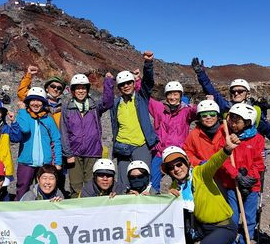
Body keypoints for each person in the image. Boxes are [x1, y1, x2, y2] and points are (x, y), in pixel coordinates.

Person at [162, 137, 241, 244]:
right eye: (171, 168)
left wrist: (226, 149)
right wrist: (169, 195)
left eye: (179, 164)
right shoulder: (175, 186)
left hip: (223, 226)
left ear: (186, 162)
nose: (176, 169)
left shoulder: (200, 173)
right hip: (202, 228)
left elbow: (214, 162)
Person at [190, 57, 270, 151]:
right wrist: (201, 73)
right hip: (229, 149)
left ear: (247, 93)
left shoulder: (255, 110)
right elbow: (211, 90)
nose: (236, 93)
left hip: (251, 150)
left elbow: (269, 130)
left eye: (240, 91)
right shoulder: (225, 106)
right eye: (233, 91)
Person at [216, 103, 265, 244]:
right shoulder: (226, 136)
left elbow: (259, 163)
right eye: (231, 119)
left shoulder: (258, 139)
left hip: (252, 186)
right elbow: (223, 159)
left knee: (249, 217)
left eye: (237, 121)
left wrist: (250, 178)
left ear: (248, 122)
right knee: (232, 216)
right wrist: (236, 175)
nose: (232, 124)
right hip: (233, 184)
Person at [60, 72, 114, 197]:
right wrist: (68, 154)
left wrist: (108, 82)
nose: (81, 91)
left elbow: (108, 102)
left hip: (93, 152)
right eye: (78, 88)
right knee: (75, 185)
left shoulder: (94, 106)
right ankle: (76, 206)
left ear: (87, 89)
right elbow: (64, 131)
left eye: (83, 88)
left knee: (92, 185)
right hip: (74, 153)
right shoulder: (67, 107)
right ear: (73, 90)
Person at [111, 51, 158, 189]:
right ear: (119, 87)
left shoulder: (141, 97)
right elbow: (114, 125)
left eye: (128, 83)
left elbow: (148, 82)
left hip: (141, 145)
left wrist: (148, 63)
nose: (126, 86)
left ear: (133, 83)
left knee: (143, 181)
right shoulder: (116, 103)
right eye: (122, 84)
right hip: (122, 146)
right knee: (123, 183)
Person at [146, 80, 197, 191]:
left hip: (178, 153)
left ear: (180, 95)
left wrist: (206, 102)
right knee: (153, 183)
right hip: (160, 152)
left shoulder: (186, 111)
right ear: (165, 96)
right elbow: (145, 97)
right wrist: (138, 81)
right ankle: (154, 200)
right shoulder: (159, 108)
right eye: (169, 94)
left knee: (182, 182)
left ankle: (183, 201)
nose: (172, 97)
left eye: (175, 94)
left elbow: (200, 111)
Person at [15, 87, 62, 200]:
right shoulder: (23, 115)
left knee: (46, 190)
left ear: (43, 103)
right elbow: (25, 129)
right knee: (22, 189)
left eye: (39, 101)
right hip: (26, 162)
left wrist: (58, 161)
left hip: (45, 163)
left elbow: (56, 140)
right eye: (33, 100)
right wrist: (22, 111)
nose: (36, 103)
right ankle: (20, 209)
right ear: (28, 102)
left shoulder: (48, 119)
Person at [183, 100, 225, 166]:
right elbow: (187, 152)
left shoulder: (226, 131)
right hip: (204, 170)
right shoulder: (194, 134)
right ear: (199, 117)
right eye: (204, 115)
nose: (208, 117)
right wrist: (199, 162)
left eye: (212, 114)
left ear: (218, 116)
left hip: (226, 169)